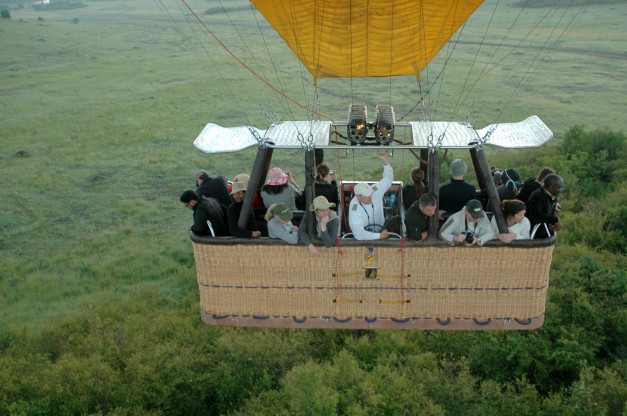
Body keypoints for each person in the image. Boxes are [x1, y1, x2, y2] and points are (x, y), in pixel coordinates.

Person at [348, 151, 393, 240]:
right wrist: (379, 236)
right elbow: (359, 234)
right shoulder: (354, 208)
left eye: (370, 194)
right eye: (366, 196)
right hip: (365, 238)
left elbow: (388, 180)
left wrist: (385, 162)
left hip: (381, 230)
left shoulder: (374, 190)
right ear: (358, 197)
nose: (370, 198)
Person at [526, 174, 564, 239]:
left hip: (545, 231)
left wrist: (551, 224)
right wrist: (555, 219)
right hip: (534, 235)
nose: (561, 190)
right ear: (551, 187)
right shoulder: (537, 196)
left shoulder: (552, 196)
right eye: (559, 188)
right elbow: (536, 215)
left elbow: (548, 214)